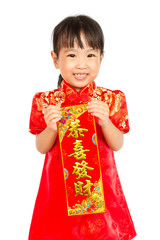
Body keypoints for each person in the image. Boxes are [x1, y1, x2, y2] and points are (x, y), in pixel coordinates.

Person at [29, 15, 136, 240]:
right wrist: (51, 128)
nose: (81, 64)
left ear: (101, 58)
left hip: (101, 190)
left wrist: (105, 121)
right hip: (59, 190)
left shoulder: (109, 99)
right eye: (71, 55)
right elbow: (41, 147)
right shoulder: (47, 102)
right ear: (55, 59)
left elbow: (117, 144)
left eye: (90, 55)